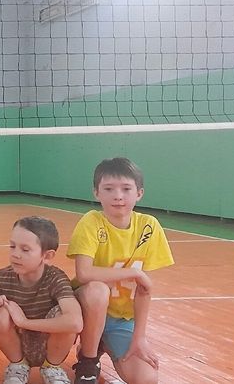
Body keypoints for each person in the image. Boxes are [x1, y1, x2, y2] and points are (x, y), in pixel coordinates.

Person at [68, 158, 174, 384]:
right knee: (98, 291)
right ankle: (88, 360)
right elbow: (84, 273)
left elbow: (144, 290)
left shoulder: (149, 227)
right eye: (109, 189)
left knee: (146, 379)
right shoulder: (91, 221)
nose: (118, 196)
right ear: (96, 193)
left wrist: (139, 338)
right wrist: (133, 273)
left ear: (139, 193)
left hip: (122, 318)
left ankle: (103, 342)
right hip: (85, 310)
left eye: (126, 189)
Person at [0, 216, 82, 384]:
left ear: (47, 255)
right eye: (12, 246)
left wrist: (24, 322)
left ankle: (52, 368)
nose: (15, 254)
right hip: (18, 345)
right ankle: (18, 366)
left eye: (25, 249)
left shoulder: (55, 278)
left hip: (51, 344)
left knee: (64, 314)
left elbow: (75, 323)